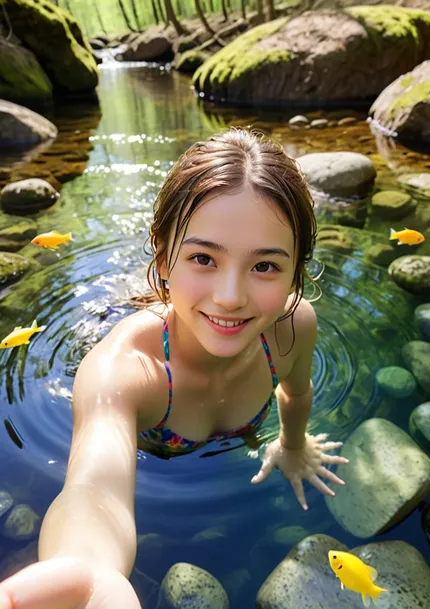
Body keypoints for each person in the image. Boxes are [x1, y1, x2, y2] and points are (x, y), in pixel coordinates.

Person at [0, 128, 348, 609]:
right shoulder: (122, 373)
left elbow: (297, 392)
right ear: (163, 259)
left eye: (265, 266)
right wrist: (91, 571)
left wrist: (292, 445)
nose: (231, 295)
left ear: (296, 272)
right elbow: (94, 489)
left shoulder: (292, 327)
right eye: (203, 258)